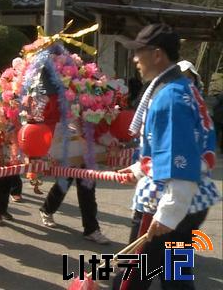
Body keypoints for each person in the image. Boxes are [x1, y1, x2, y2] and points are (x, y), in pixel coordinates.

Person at [113, 24, 220, 290]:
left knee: (131, 280)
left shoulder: (169, 97)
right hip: (189, 202)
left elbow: (179, 158)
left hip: (167, 202)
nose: (135, 59)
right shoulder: (182, 87)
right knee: (176, 276)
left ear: (157, 54)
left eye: (139, 51)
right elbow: (165, 146)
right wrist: (139, 169)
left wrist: (168, 213)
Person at [38, 68, 111, 245]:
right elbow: (65, 118)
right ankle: (47, 210)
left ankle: (91, 229)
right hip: (70, 144)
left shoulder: (88, 93)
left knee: (87, 186)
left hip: (85, 145)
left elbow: (92, 119)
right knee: (65, 181)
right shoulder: (59, 96)